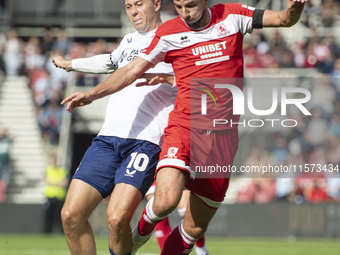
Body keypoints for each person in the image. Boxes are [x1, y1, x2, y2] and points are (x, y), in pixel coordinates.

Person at [61, 0, 308, 254]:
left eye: (189, 5)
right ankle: (140, 235)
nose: (184, 13)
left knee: (194, 228)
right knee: (165, 201)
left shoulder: (232, 15)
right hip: (185, 126)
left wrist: (294, 9)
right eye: (178, 6)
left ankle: (151, 234)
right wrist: (93, 93)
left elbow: (283, 19)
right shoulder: (169, 32)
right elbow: (131, 69)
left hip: (223, 137)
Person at [53, 0, 176, 254]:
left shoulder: (175, 35)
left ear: (156, 3)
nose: (133, 11)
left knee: (117, 217)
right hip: (108, 139)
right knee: (70, 215)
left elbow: (202, 74)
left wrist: (93, 94)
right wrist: (71, 64)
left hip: (146, 140)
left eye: (139, 4)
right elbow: (110, 62)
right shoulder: (130, 41)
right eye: (128, 5)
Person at [145, 186, 209, 255]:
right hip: (153, 178)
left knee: (186, 211)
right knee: (158, 214)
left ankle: (201, 248)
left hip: (178, 176)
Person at [43, 154, 68, 233]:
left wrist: (52, 183)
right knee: (48, 217)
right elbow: (45, 180)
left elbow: (65, 182)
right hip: (50, 196)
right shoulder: (48, 169)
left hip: (59, 197)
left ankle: (61, 233)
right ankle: (47, 233)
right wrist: (58, 183)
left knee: (60, 218)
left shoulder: (62, 170)